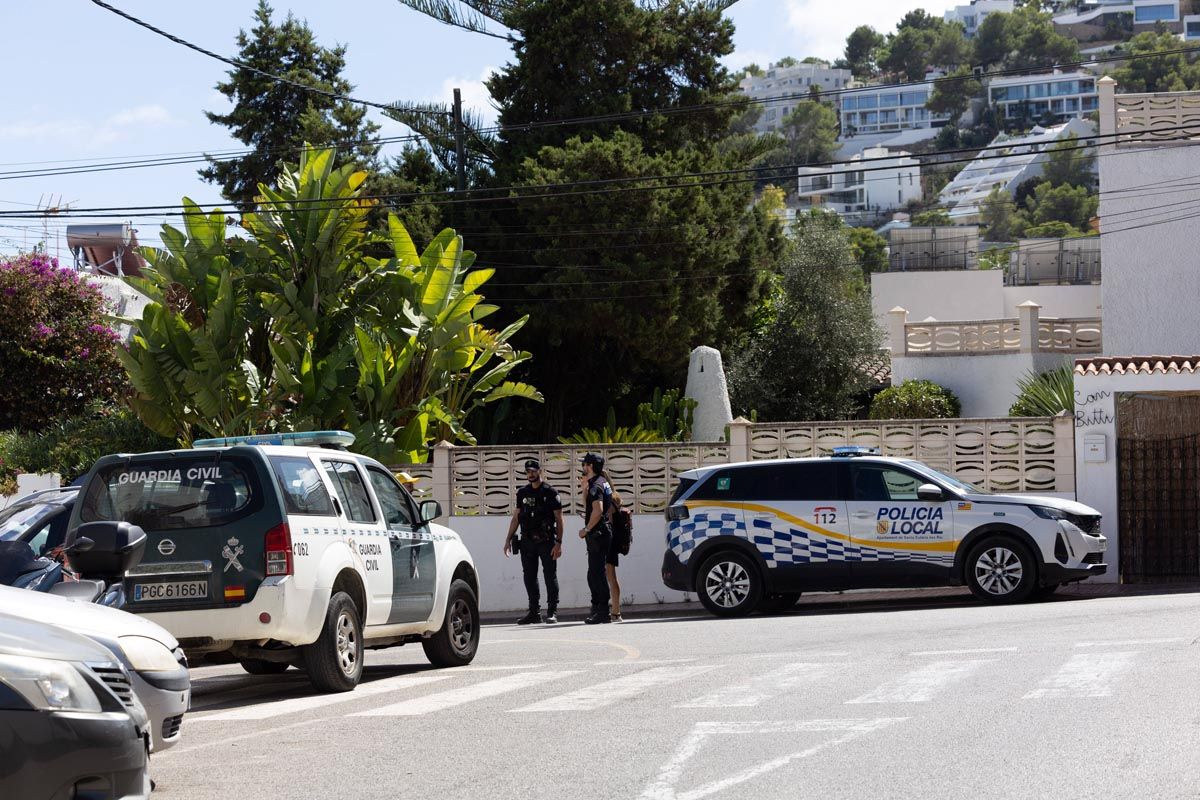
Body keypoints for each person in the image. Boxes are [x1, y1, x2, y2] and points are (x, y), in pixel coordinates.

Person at [504, 459, 564, 625]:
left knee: (549, 576)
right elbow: (516, 517)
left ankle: (552, 612)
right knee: (529, 577)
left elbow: (559, 519)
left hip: (546, 541)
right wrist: (508, 539)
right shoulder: (522, 492)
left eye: (533, 471)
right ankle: (534, 612)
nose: (530, 474)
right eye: (527, 472)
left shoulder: (550, 492)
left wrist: (559, 542)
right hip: (527, 541)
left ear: (540, 471)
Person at [578, 453, 613, 625]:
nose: (582, 467)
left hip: (598, 534)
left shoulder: (596, 486)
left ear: (590, 466)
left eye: (584, 464)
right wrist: (584, 488)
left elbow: (597, 511)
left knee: (597, 574)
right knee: (593, 574)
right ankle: (598, 608)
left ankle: (603, 611)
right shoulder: (600, 482)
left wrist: (586, 529)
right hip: (600, 533)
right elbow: (589, 506)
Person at [607, 491, 632, 623]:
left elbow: (609, 523)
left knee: (611, 578)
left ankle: (616, 612)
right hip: (614, 543)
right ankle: (615, 611)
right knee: (611, 578)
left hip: (609, 544)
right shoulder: (615, 498)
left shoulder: (609, 501)